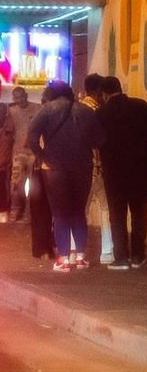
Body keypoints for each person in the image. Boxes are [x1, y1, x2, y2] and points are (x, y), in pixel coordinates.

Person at [27, 80, 104, 272]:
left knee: (60, 213)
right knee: (78, 211)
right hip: (82, 167)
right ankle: (80, 256)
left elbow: (31, 138)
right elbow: (99, 139)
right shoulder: (86, 111)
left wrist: (44, 157)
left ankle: (63, 258)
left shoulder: (46, 111)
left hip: (55, 169)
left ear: (51, 93)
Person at [97, 75, 147, 269]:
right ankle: (138, 255)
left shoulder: (101, 112)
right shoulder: (142, 106)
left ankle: (121, 257)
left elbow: (96, 141)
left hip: (113, 170)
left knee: (117, 213)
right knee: (139, 212)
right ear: (120, 88)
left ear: (104, 94)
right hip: (141, 167)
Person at [79, 74, 113, 263]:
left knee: (80, 210)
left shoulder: (76, 110)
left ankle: (78, 251)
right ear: (98, 91)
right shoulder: (98, 111)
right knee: (106, 210)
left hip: (81, 166)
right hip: (98, 166)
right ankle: (107, 252)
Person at [8, 85, 37, 222]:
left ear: (26, 95)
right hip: (18, 153)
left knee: (32, 184)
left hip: (33, 154)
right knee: (16, 183)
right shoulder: (11, 112)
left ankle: (28, 212)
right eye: (17, 98)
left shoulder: (37, 109)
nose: (20, 100)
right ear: (14, 98)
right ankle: (15, 209)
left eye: (22, 97)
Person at [0, 100, 13, 223]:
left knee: (4, 189)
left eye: (2, 112)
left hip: (5, 166)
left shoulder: (10, 126)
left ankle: (3, 211)